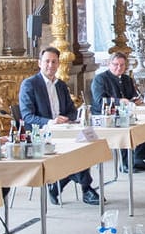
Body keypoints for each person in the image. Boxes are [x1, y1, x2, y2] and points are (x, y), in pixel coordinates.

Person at [18, 47, 98, 205]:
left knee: (86, 145)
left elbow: (72, 111)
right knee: (74, 152)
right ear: (39, 63)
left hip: (64, 130)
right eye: (47, 61)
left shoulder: (61, 85)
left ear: (58, 64)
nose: (50, 65)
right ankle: (86, 188)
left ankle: (59, 182)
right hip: (41, 134)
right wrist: (50, 122)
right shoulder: (30, 85)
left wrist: (66, 119)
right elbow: (27, 117)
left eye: (54, 62)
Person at [90, 51, 145, 174]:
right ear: (109, 64)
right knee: (124, 127)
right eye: (115, 64)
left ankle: (139, 158)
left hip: (125, 112)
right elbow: (100, 100)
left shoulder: (127, 79)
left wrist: (135, 100)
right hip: (105, 115)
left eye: (122, 65)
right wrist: (119, 101)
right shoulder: (100, 79)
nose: (119, 68)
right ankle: (125, 163)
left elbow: (132, 96)